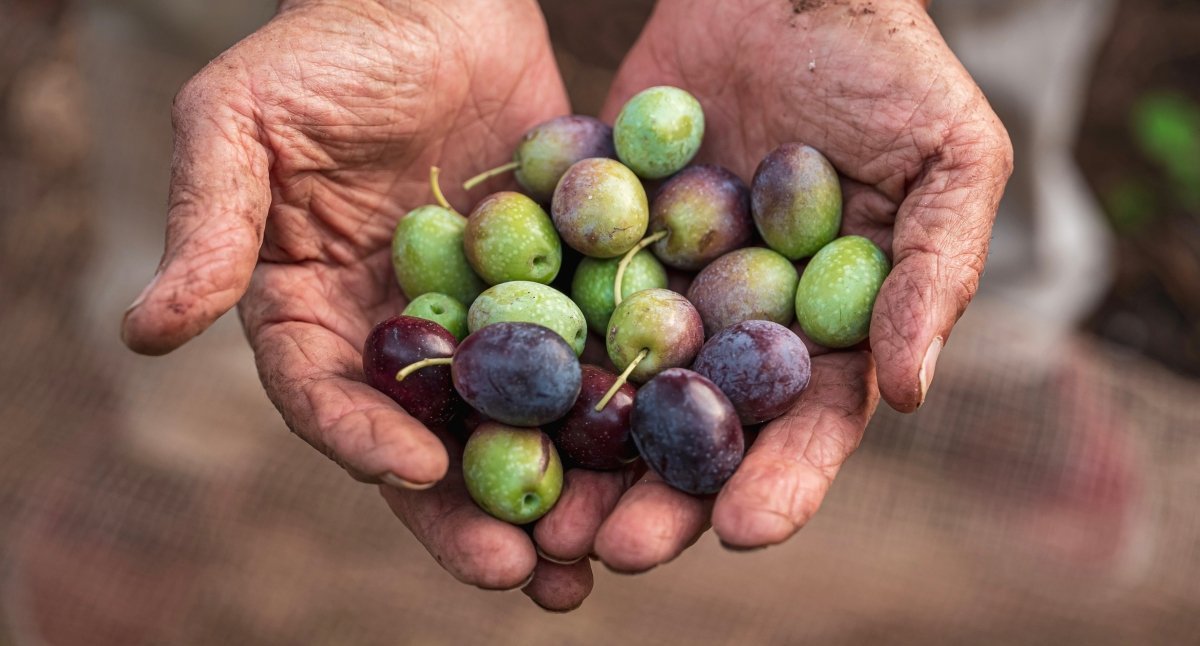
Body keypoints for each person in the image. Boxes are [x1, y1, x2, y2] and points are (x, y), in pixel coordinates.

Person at [119, 0, 1012, 612]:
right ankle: (169, 459)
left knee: (967, 155)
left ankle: (1024, 350)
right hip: (585, 307)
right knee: (228, 205)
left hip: (634, 309)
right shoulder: (559, 301)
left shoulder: (664, 289)